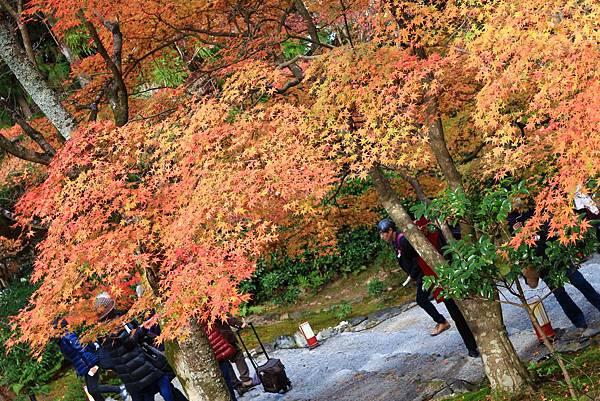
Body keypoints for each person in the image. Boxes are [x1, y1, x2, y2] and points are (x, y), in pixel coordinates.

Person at [378, 218, 480, 357]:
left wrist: (415, 276)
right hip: (437, 279)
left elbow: (419, 260)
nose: (382, 236)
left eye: (383, 233)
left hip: (442, 276)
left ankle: (471, 341)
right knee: (456, 313)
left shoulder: (410, 239)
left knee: (464, 310)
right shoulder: (402, 241)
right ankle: (471, 347)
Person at [509, 210, 600, 330]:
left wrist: (537, 234)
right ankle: (579, 323)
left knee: (579, 281)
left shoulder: (534, 204)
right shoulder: (511, 218)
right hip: (540, 261)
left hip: (556, 252)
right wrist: (520, 233)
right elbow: (517, 243)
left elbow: (550, 227)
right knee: (559, 293)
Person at [94, 293, 186, 401]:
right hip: (141, 365)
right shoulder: (116, 326)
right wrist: (142, 329)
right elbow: (129, 342)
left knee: (154, 392)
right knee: (165, 385)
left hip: (131, 375)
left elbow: (107, 361)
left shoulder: (100, 333)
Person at [57, 321, 128, 401]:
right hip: (84, 366)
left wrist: (93, 366)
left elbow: (81, 349)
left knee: (93, 389)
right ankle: (119, 389)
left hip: (89, 363)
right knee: (92, 391)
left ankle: (120, 389)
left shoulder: (68, 336)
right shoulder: (61, 341)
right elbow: (72, 357)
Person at [215, 317, 256, 396]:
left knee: (224, 362)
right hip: (225, 336)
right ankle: (246, 381)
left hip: (211, 344)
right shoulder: (211, 305)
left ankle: (237, 386)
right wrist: (240, 324)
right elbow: (225, 316)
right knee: (238, 356)